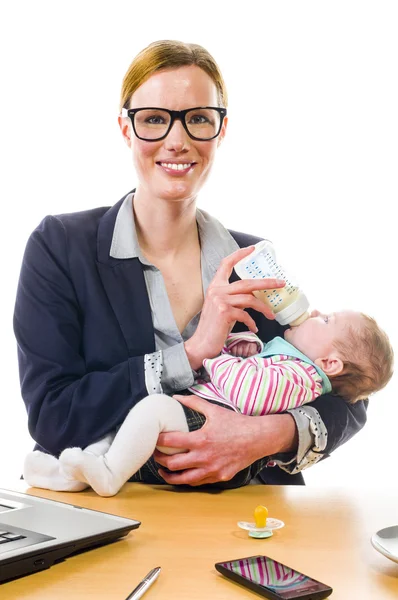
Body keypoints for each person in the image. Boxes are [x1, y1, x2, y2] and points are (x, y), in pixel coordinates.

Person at [14, 40, 368, 490]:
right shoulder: (62, 247)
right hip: (114, 514)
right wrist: (192, 352)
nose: (177, 141)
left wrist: (264, 435)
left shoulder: (252, 260)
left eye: (199, 119)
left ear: (220, 131)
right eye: (155, 120)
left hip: (244, 515)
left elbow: (349, 383)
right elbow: (53, 417)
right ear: (126, 129)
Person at [22, 308, 393, 496]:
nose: (314, 313)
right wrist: (241, 347)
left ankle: (107, 474)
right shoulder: (293, 359)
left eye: (325, 319)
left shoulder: (303, 374)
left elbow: (247, 390)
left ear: (330, 364)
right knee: (120, 421)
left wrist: (208, 352)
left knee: (152, 410)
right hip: (188, 417)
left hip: (205, 431)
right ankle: (70, 475)